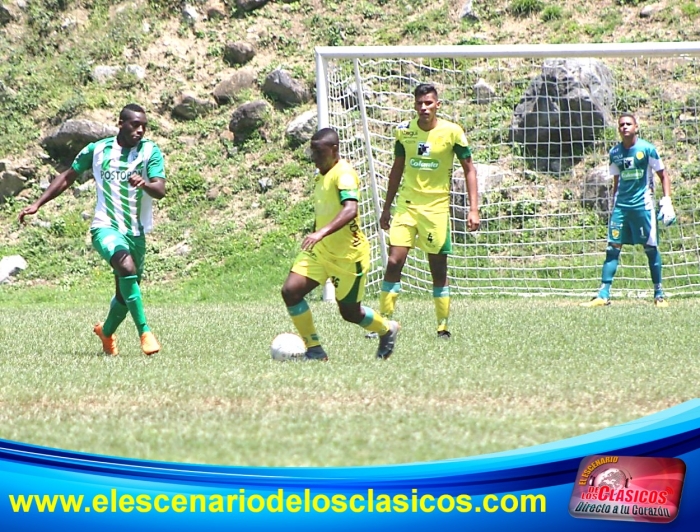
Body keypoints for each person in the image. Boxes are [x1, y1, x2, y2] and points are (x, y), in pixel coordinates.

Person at [19, 103, 166, 355]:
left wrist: (144, 183)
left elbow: (160, 190)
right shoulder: (97, 150)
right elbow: (68, 176)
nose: (140, 130)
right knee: (125, 266)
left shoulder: (150, 151)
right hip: (105, 227)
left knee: (125, 291)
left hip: (136, 231)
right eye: (135, 124)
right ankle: (145, 332)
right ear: (120, 123)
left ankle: (106, 332)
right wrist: (37, 203)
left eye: (144, 126)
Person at [281, 128, 399, 360]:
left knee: (350, 313)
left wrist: (321, 232)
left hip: (348, 257)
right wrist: (318, 234)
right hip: (321, 252)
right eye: (312, 151)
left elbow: (350, 208)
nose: (313, 157)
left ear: (334, 150)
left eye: (318, 152)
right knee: (290, 291)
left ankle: (387, 329)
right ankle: (314, 350)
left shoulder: (343, 174)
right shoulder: (321, 175)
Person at [377, 83, 479, 339]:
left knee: (438, 268)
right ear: (414, 105)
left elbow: (469, 170)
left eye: (429, 103)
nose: (424, 108)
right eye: (420, 103)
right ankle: (383, 322)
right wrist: (387, 207)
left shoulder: (452, 132)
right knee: (393, 261)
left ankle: (442, 326)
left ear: (437, 105)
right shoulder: (405, 132)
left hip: (436, 209)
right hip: (407, 206)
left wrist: (473, 209)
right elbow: (396, 170)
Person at [582, 112, 675, 308]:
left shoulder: (647, 149)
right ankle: (603, 294)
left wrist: (667, 201)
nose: (625, 127)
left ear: (636, 127)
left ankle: (659, 293)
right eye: (621, 124)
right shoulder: (614, 153)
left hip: (643, 207)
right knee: (612, 247)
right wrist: (614, 201)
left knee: (650, 248)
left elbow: (663, 175)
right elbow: (617, 180)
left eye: (628, 124)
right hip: (621, 207)